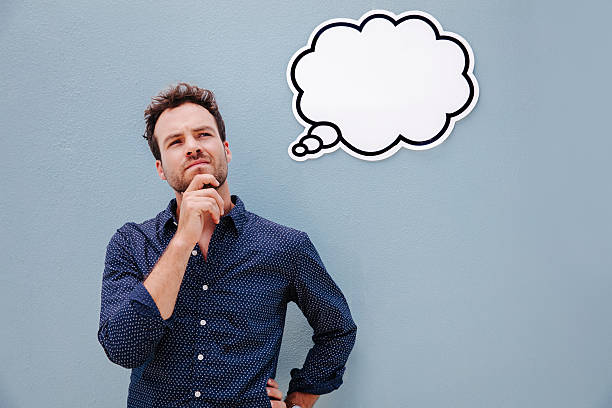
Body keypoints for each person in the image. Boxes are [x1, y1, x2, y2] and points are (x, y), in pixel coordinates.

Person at [97, 82, 357, 408]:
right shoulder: (132, 244)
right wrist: (182, 240)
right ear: (161, 168)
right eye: (176, 141)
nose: (192, 147)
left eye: (203, 135)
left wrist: (299, 401)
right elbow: (124, 349)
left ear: (226, 149)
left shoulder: (286, 246)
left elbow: (338, 330)